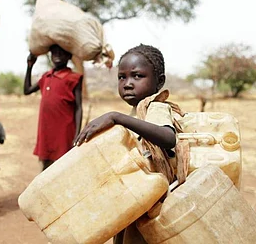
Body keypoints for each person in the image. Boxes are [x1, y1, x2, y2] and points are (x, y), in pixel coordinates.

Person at [75, 44, 184, 244]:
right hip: (135, 198)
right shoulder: (135, 113)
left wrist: (116, 117)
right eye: (122, 77)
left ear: (159, 82)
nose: (127, 83)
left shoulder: (155, 106)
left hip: (154, 202)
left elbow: (168, 137)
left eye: (137, 76)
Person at [24, 45, 83, 171]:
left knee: (63, 166)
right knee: (45, 165)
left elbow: (78, 107)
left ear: (69, 56)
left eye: (61, 53)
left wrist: (77, 134)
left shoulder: (74, 78)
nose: (57, 55)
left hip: (64, 131)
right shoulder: (46, 76)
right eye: (54, 52)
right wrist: (29, 66)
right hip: (46, 130)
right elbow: (27, 90)